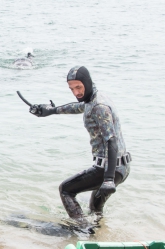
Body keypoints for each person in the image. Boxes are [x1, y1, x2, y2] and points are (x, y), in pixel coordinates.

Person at [28, 66, 131, 228]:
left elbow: (111, 141)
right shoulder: (94, 99)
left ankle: (82, 230)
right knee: (95, 208)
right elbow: (78, 107)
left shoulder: (99, 107)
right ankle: (97, 234)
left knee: (66, 190)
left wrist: (109, 179)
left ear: (87, 83)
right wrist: (51, 111)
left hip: (108, 169)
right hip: (121, 166)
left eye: (79, 87)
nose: (76, 93)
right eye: (72, 89)